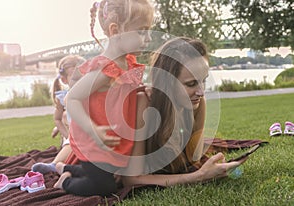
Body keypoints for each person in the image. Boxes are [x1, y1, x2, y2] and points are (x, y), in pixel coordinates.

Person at [53, 0, 154, 197]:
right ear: (115, 31)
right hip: (94, 143)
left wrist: (143, 89)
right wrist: (93, 129)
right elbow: (72, 99)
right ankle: (65, 182)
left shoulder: (126, 63)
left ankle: (66, 168)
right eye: (142, 31)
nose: (149, 38)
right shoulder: (105, 69)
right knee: (105, 187)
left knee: (107, 175)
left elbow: (123, 92)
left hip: (110, 141)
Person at [122, 37, 247, 187]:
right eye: (191, 83)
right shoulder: (144, 104)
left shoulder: (198, 104)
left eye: (204, 80)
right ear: (167, 82)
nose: (201, 92)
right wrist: (198, 177)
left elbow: (193, 160)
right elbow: (131, 179)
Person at [31, 55, 86, 174]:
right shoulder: (63, 97)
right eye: (75, 77)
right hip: (72, 135)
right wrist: (67, 135)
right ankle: (54, 165)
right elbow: (57, 119)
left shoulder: (89, 93)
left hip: (85, 132)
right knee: (71, 143)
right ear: (64, 79)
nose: (81, 80)